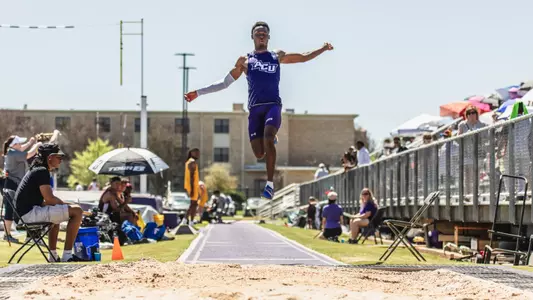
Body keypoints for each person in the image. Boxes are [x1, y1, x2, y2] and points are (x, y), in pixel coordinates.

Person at [184, 21, 334, 200]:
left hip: (273, 105)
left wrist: (322, 49)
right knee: (259, 153)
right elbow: (225, 83)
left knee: (269, 139)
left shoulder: (276, 56)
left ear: (268, 37)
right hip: (255, 110)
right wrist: (198, 93)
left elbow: (302, 57)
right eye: (258, 33)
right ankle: (269, 136)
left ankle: (269, 185)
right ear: (252, 37)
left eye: (264, 33)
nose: (261, 36)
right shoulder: (245, 61)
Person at [14, 143, 84, 262]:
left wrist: (64, 204)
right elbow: (50, 199)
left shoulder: (37, 170)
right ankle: (67, 256)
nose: (61, 160)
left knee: (56, 216)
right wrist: (68, 205)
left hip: (24, 215)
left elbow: (45, 202)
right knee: (77, 211)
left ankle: (53, 256)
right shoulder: (42, 171)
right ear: (50, 157)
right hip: (28, 215)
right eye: (59, 157)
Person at [2, 135, 42, 243]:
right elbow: (29, 154)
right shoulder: (14, 153)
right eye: (19, 143)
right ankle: (7, 235)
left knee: (13, 208)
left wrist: (30, 143)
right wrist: (37, 145)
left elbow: (23, 149)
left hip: (12, 182)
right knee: (10, 209)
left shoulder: (12, 151)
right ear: (14, 145)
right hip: (11, 183)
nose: (21, 145)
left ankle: (9, 234)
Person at [184, 148, 200, 225]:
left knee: (194, 204)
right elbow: (191, 177)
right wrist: (192, 189)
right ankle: (186, 220)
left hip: (194, 186)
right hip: (192, 186)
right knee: (193, 204)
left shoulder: (189, 162)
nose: (198, 154)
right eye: (196, 153)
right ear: (191, 153)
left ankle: (190, 221)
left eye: (198, 153)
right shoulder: (191, 162)